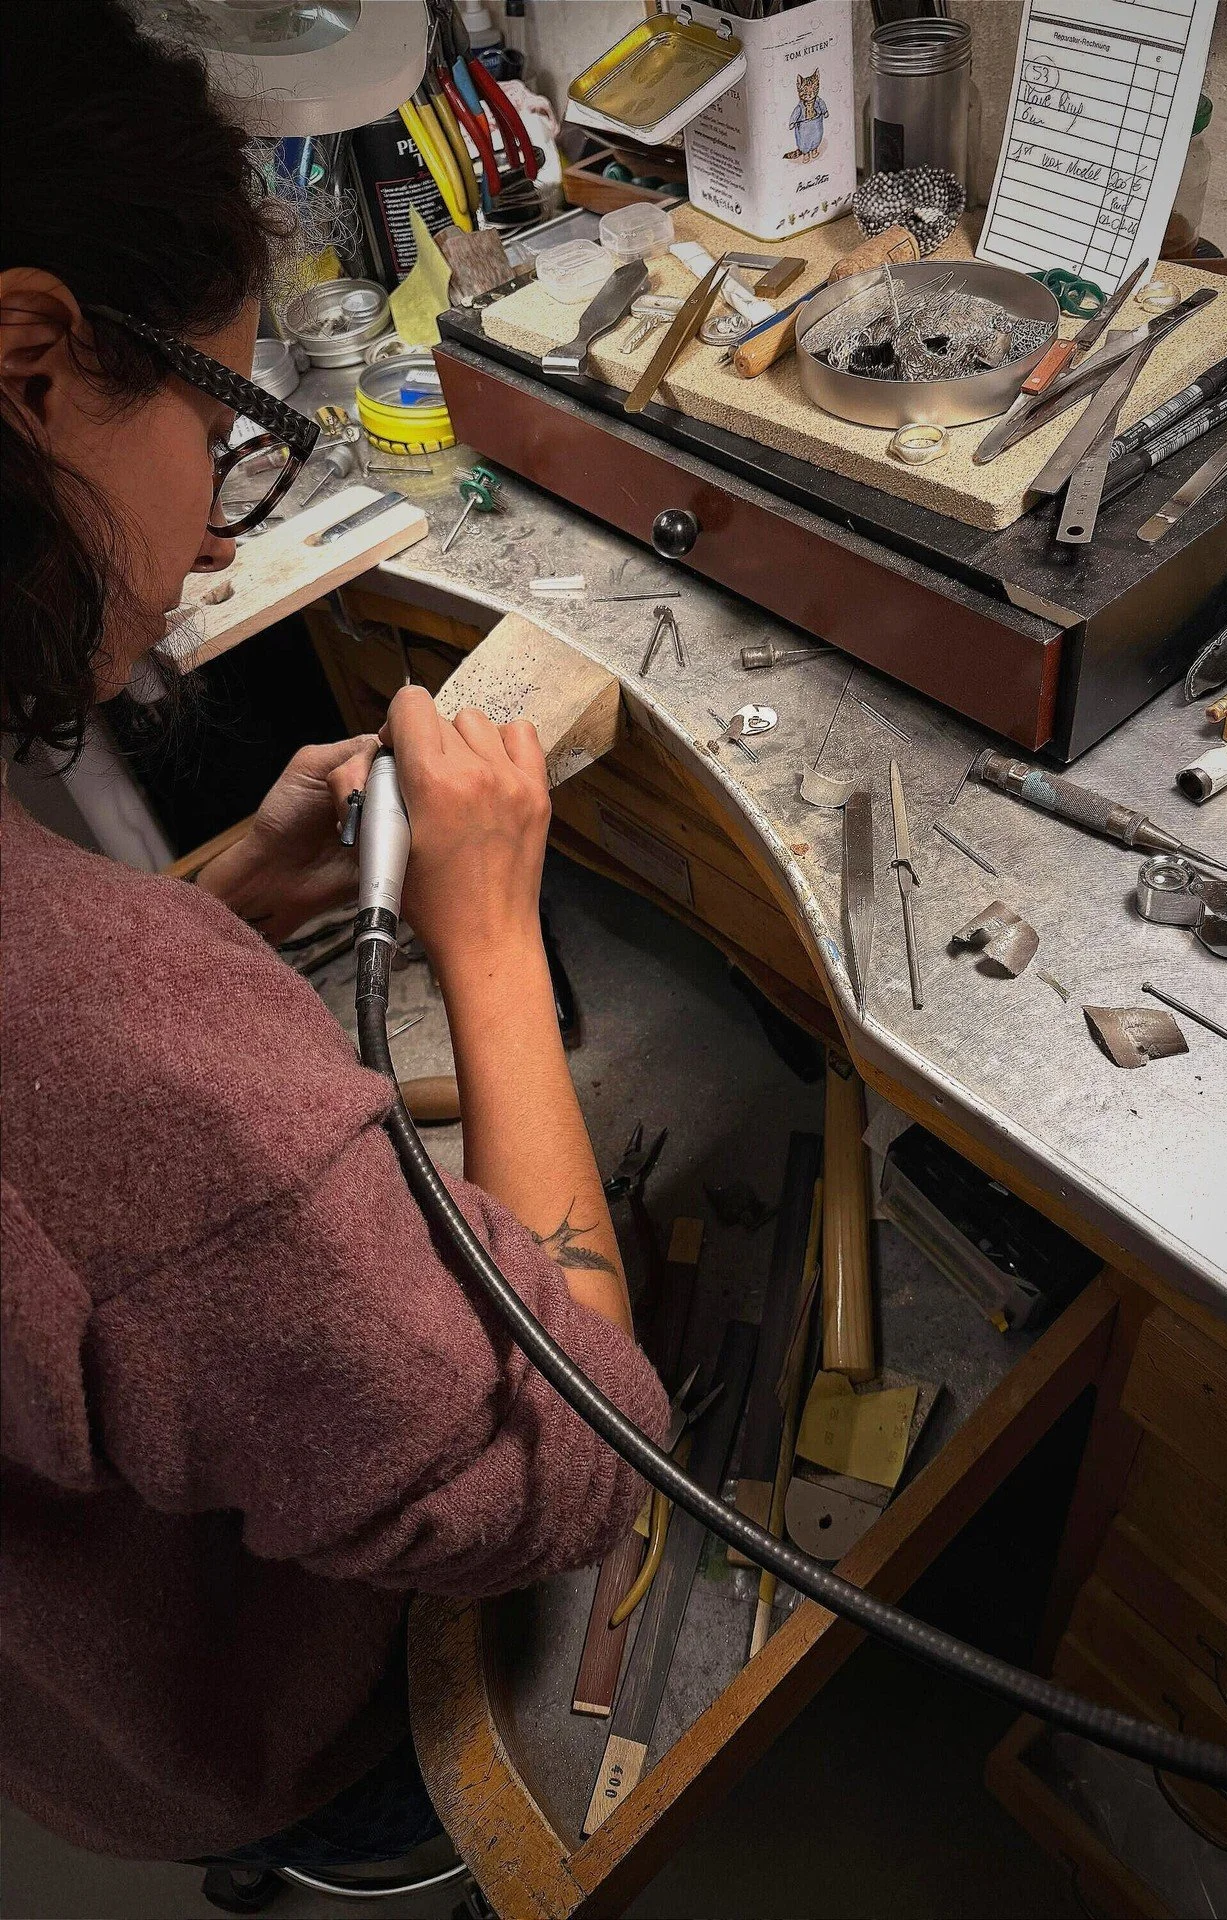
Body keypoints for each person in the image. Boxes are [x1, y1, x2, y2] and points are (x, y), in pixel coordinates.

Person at [0, 0, 666, 1871]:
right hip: (266, 1706)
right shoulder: (132, 1069)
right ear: (33, 360)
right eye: (218, 416)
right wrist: (489, 935)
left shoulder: (94, 1010)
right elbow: (561, 1467)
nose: (215, 526)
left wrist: (229, 898)